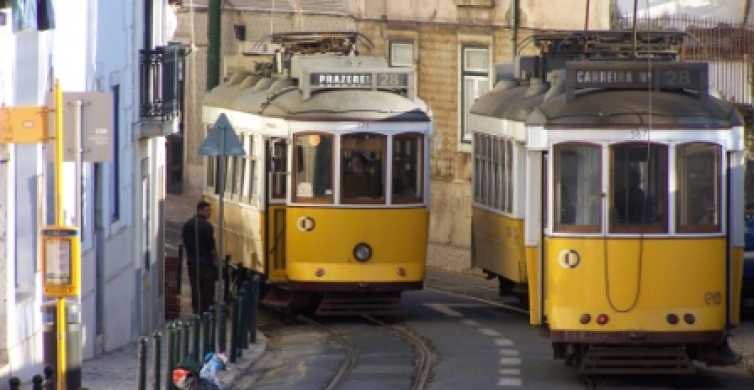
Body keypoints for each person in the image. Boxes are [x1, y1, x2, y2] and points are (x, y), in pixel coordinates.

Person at [182, 200, 218, 315]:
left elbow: (185, 241)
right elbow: (211, 247)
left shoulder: (187, 225)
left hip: (192, 262)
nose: (209, 213)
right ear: (200, 210)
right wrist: (215, 261)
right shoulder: (207, 226)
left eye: (210, 211)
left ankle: (197, 310)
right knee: (207, 288)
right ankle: (206, 311)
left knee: (195, 287)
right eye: (207, 210)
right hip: (206, 263)